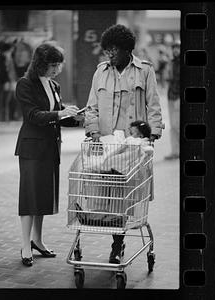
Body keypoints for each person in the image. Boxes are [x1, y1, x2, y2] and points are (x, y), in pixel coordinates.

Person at [84, 24, 164, 264]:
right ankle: (116, 241)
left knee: (124, 197)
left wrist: (152, 135)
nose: (110, 54)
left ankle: (117, 245)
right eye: (107, 50)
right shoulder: (101, 72)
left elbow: (154, 107)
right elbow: (92, 107)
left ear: (127, 49)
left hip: (132, 146)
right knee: (108, 196)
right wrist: (94, 133)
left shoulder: (144, 71)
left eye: (114, 50)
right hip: (108, 145)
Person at [14, 42, 82, 267]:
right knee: (29, 197)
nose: (56, 69)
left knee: (42, 196)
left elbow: (58, 117)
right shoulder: (25, 84)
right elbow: (33, 115)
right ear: (41, 63)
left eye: (58, 65)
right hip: (32, 148)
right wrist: (60, 112)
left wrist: (79, 118)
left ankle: (37, 241)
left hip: (50, 147)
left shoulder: (54, 85)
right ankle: (25, 245)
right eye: (52, 65)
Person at [164, 41, 180, 160]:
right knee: (173, 126)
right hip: (171, 95)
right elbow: (169, 78)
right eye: (174, 48)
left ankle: (178, 151)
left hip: (179, 96)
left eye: (177, 48)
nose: (175, 50)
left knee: (177, 125)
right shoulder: (172, 62)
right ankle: (175, 151)